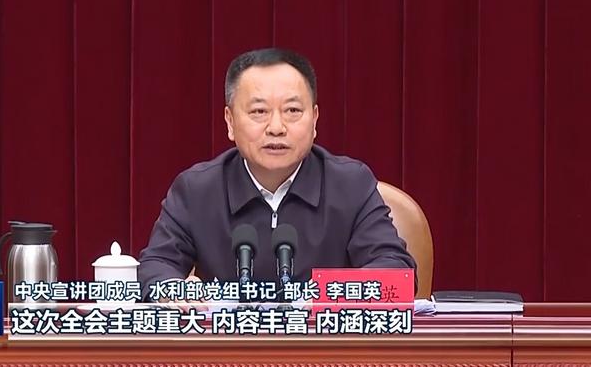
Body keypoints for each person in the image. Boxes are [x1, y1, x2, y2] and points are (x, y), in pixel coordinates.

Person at [138, 48, 416, 300]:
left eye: (292, 110)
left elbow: (395, 269)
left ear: (315, 120)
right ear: (230, 122)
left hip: (324, 339)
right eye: (259, 111)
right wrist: (173, 290)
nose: (276, 127)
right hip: (228, 340)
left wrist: (325, 296)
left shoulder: (350, 184)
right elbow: (156, 266)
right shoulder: (197, 190)